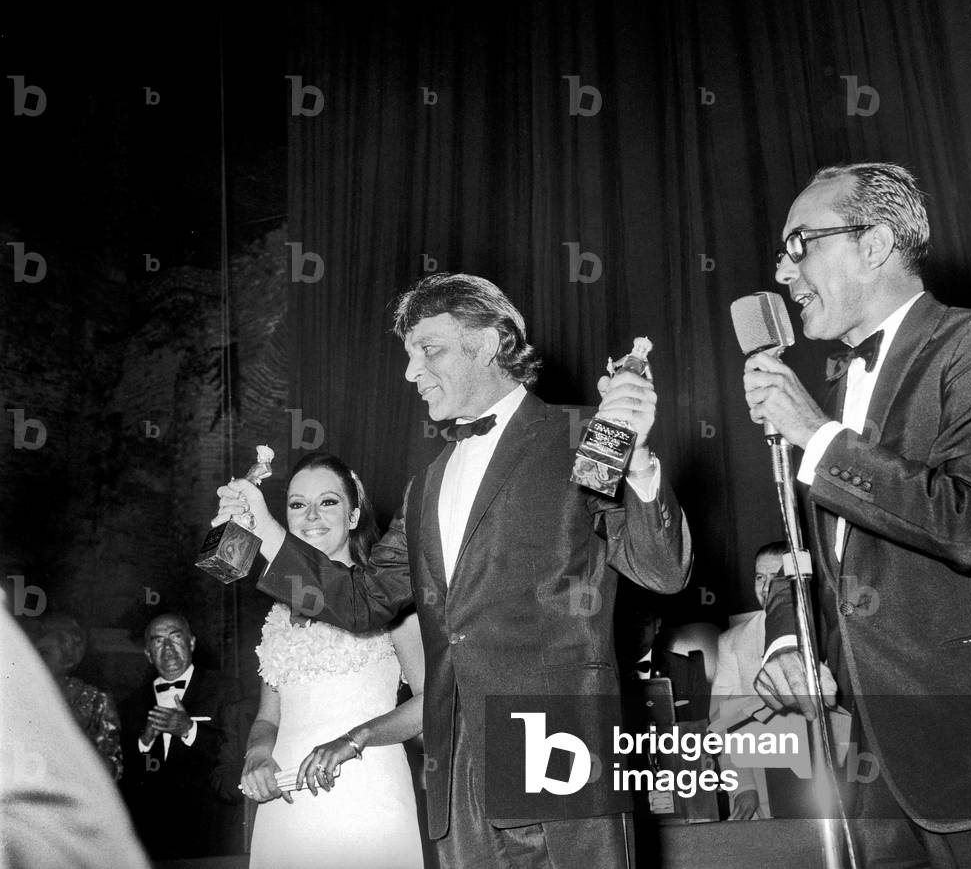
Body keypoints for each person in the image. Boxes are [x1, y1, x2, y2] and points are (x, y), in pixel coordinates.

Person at [217, 272, 692, 868]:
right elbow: (362, 599)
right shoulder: (429, 482)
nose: (411, 371)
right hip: (456, 767)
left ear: (489, 343)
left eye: (428, 349)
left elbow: (662, 570)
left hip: (557, 746)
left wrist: (639, 458)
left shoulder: (582, 437)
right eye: (409, 355)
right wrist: (265, 532)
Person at [742, 163, 971, 867]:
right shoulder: (836, 396)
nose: (780, 268)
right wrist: (784, 641)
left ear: (874, 243)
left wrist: (816, 438)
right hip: (870, 776)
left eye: (798, 243)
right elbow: (816, 561)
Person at [231, 453, 425, 869]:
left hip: (368, 798)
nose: (311, 516)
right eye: (298, 504)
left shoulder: (389, 597)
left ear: (353, 515)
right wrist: (258, 755)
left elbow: (432, 704)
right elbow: (269, 718)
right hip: (287, 803)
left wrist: (355, 738)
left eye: (329, 502)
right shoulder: (279, 613)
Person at [0, 595, 151, 869]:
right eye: (36, 650)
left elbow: (113, 769)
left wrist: (72, 745)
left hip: (72, 822)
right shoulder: (16, 697)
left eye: (47, 651)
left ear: (71, 655)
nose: (38, 657)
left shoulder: (95, 700)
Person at [119, 611, 240, 860]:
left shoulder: (225, 688)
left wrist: (188, 730)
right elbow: (121, 773)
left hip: (209, 834)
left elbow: (237, 754)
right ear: (147, 654)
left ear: (191, 642)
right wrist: (145, 741)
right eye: (158, 640)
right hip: (150, 840)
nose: (168, 648)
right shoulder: (130, 704)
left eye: (175, 638)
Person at [707, 541, 786, 820]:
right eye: (759, 578)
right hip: (765, 795)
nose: (765, 589)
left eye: (777, 578)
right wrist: (743, 787)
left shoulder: (828, 634)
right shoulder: (732, 643)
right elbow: (721, 725)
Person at [33, 613, 124, 781]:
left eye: (44, 654)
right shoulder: (21, 695)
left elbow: (114, 770)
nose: (35, 661)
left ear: (68, 660)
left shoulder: (97, 701)